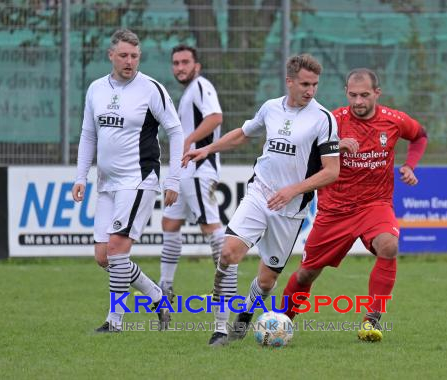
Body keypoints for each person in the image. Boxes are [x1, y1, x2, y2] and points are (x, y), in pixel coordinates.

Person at [182, 54, 340, 346]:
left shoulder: (323, 119)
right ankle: (220, 329)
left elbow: (332, 171)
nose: (310, 90)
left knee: (266, 282)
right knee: (228, 253)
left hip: (291, 210)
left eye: (315, 84)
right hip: (260, 193)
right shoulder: (270, 108)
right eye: (305, 84)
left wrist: (293, 190)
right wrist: (206, 150)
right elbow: (242, 135)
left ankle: (244, 316)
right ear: (289, 81)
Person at [281, 68, 428, 342]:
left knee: (389, 245)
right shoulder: (331, 121)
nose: (358, 101)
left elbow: (420, 135)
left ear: (377, 93)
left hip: (375, 204)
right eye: (353, 95)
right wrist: (334, 145)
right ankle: (282, 320)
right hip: (334, 209)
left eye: (364, 95)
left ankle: (371, 320)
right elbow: (303, 150)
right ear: (346, 93)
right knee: (306, 273)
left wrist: (409, 165)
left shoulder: (394, 120)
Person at [71, 29, 184, 332]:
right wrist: (81, 176)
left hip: (138, 179)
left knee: (118, 251)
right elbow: (88, 134)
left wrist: (173, 180)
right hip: (107, 182)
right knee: (104, 257)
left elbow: (175, 130)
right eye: (123, 55)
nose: (129, 61)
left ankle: (115, 322)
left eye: (134, 56)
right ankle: (158, 296)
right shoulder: (96, 89)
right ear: (111, 55)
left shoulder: (151, 89)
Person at [158, 45, 224, 301]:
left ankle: (224, 288)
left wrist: (188, 141)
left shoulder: (200, 86)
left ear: (197, 65)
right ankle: (165, 286)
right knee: (170, 223)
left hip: (199, 169)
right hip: (186, 171)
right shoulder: (189, 91)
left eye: (185, 62)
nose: (180, 67)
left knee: (211, 226)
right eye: (176, 63)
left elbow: (216, 117)